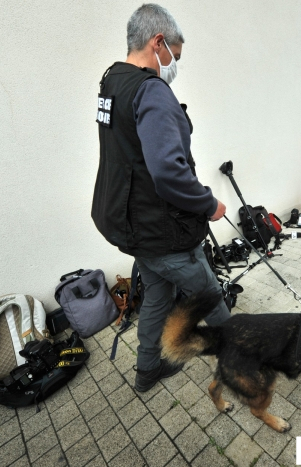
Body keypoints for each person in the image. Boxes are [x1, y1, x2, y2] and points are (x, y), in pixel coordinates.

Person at [91, 4, 230, 392]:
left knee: (157, 294)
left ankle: (147, 368)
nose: (174, 65)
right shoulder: (152, 92)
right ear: (158, 43)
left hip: (131, 225)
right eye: (175, 55)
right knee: (210, 297)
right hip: (162, 231)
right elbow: (169, 172)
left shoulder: (112, 81)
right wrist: (209, 203)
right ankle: (245, 363)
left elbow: (130, 155)